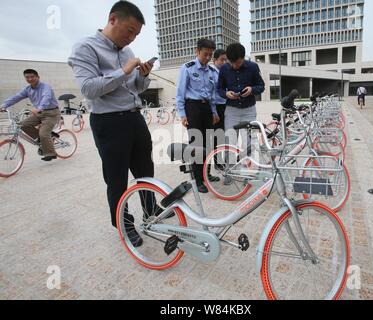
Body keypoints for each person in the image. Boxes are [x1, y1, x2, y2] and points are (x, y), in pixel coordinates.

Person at [68, 0, 158, 247]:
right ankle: (123, 223)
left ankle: (151, 211)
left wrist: (142, 75)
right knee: (116, 179)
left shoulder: (127, 53)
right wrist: (124, 71)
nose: (132, 38)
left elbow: (134, 89)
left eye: (137, 34)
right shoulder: (85, 48)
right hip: (108, 122)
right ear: (112, 19)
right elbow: (88, 88)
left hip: (134, 117)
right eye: (130, 31)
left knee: (145, 171)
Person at [176, 38, 220, 193]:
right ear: (197, 51)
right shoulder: (187, 68)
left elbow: (213, 95)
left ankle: (206, 174)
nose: (208, 58)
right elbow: (180, 93)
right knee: (196, 144)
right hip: (192, 108)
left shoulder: (213, 71)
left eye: (210, 55)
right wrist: (182, 114)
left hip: (207, 108)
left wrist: (214, 111)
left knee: (208, 143)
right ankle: (198, 180)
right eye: (205, 54)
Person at [217, 43, 265, 182]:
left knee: (250, 142)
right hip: (231, 111)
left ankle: (250, 171)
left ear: (243, 58)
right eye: (231, 62)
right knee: (230, 142)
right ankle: (230, 172)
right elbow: (219, 89)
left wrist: (252, 89)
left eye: (237, 62)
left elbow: (261, 86)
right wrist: (226, 94)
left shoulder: (253, 67)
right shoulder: (224, 69)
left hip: (249, 110)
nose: (234, 66)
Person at [0, 69, 61, 161]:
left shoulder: (45, 87)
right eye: (27, 77)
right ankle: (43, 138)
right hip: (38, 113)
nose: (30, 79)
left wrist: (39, 108)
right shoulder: (27, 89)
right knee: (22, 125)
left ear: (38, 77)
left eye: (32, 76)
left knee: (44, 134)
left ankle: (50, 153)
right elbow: (16, 97)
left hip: (51, 113)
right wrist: (3, 106)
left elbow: (46, 97)